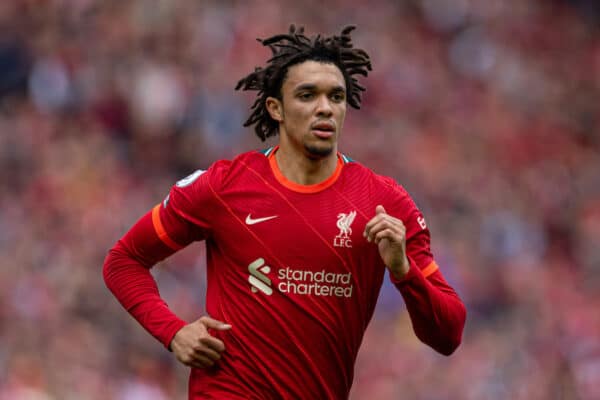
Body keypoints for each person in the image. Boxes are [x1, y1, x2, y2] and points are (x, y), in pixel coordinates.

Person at [103, 24, 466, 399]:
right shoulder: (225, 185)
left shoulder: (384, 202)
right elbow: (124, 260)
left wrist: (403, 271)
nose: (324, 107)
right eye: (307, 95)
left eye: (336, 97)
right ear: (275, 108)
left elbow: (448, 334)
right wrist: (173, 331)